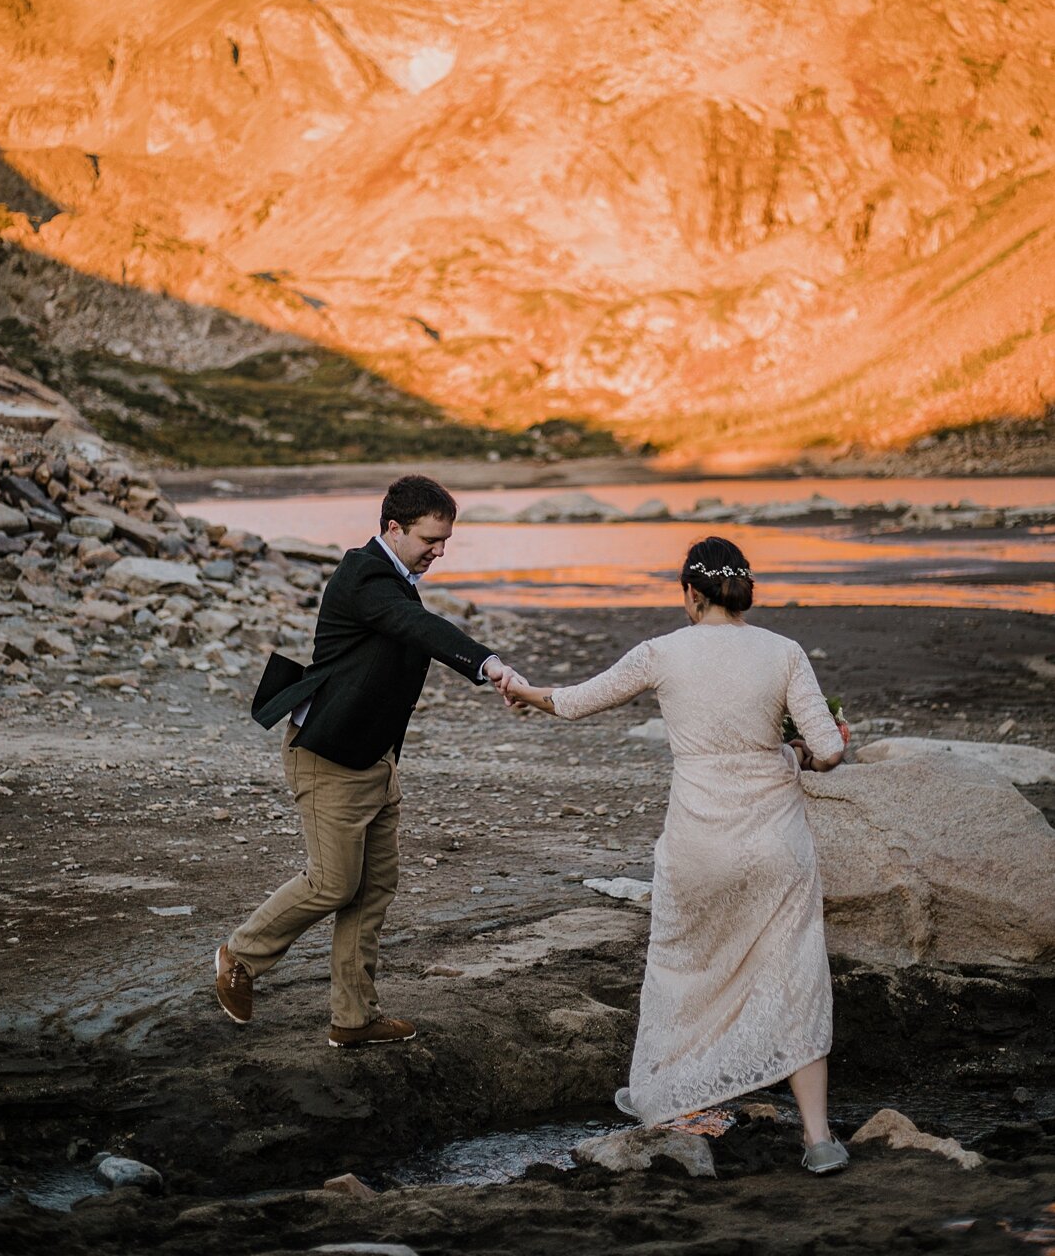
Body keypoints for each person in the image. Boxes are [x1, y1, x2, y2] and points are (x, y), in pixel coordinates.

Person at [504, 535, 852, 1175]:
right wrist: (797, 750)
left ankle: (672, 1099)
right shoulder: (783, 652)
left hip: (697, 839)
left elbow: (574, 701)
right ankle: (818, 1138)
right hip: (774, 839)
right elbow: (828, 750)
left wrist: (521, 691)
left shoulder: (661, 652)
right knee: (796, 973)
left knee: (681, 964)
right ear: (742, 590)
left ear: (691, 594)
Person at [215, 474, 522, 1047]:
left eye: (446, 540)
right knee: (334, 883)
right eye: (431, 539)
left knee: (373, 888)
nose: (439, 551)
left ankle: (353, 1018)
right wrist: (488, 664)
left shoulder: (396, 577)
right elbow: (416, 627)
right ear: (393, 528)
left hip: (373, 757)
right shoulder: (365, 575)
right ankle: (240, 955)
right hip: (329, 755)